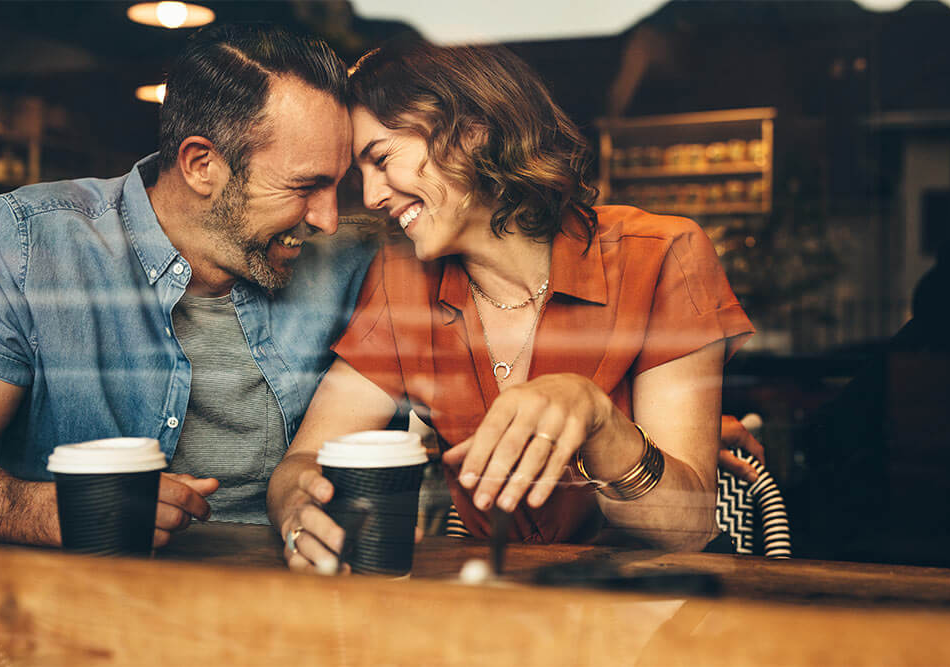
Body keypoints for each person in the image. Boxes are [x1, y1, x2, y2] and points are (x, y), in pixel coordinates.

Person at [268, 41, 755, 572]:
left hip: (641, 614)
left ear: (471, 130)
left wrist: (598, 420)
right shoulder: (401, 279)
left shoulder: (661, 256)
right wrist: (297, 506)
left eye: (382, 160)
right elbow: (305, 458)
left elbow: (686, 530)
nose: (372, 195)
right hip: (492, 609)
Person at [0, 24, 375, 547]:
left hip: (290, 605)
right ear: (202, 165)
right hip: (76, 605)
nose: (330, 220)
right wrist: (46, 511)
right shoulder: (25, 247)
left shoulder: (355, 264)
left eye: (341, 185)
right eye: (304, 186)